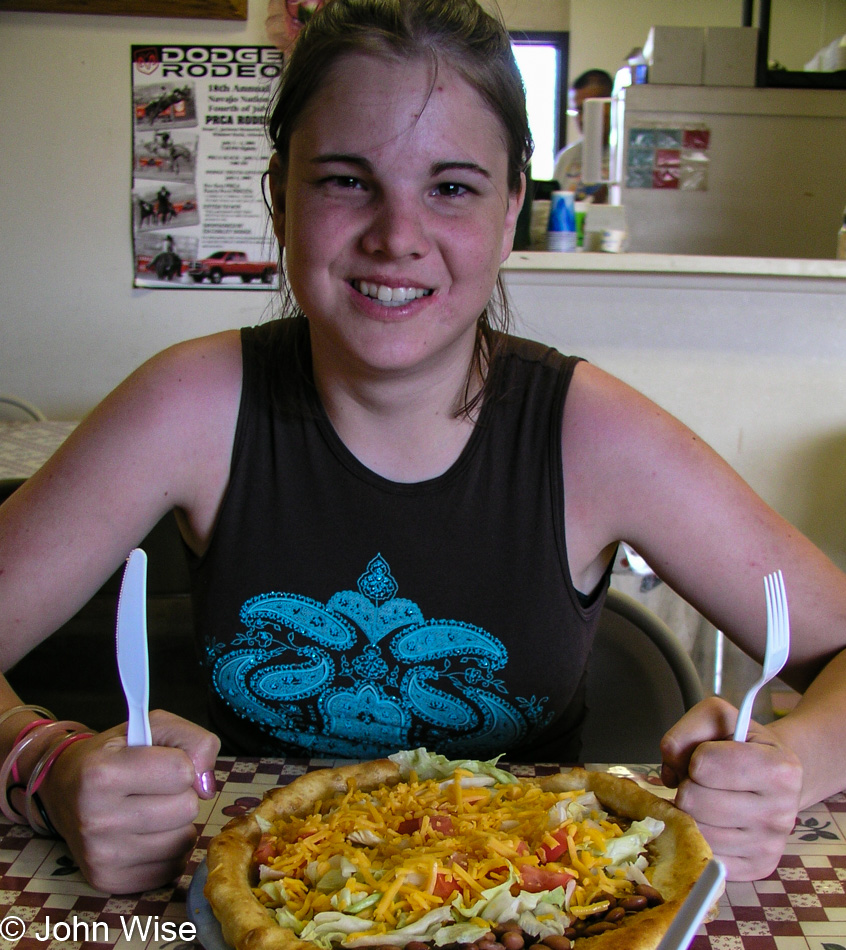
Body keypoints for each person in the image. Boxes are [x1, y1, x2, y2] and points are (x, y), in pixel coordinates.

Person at [1, 0, 845, 896]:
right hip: (259, 903)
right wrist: (42, 767)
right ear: (279, 196)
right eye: (345, 180)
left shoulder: (598, 432)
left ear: (511, 207)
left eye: (451, 187)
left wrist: (789, 761)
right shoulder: (185, 404)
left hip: (534, 907)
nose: (396, 236)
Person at [552, 68, 613, 202]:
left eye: (589, 109)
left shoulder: (625, 158)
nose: (582, 119)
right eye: (578, 111)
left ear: (611, 106)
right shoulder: (567, 157)